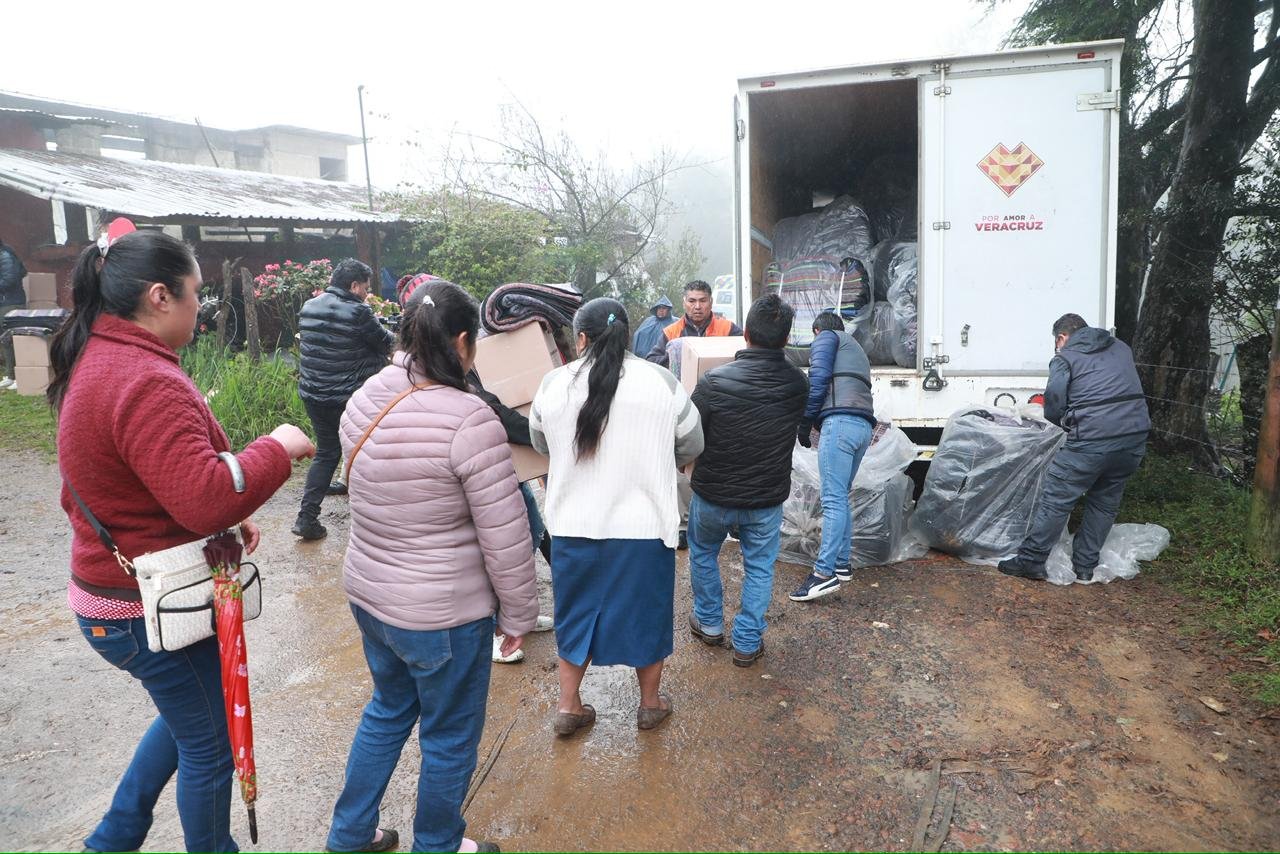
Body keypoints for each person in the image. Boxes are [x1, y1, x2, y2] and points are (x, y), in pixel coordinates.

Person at [50, 228, 316, 853]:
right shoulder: (144, 378)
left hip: (116, 593)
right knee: (210, 743)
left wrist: (223, 518)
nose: (203, 306)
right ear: (160, 296)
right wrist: (277, 447)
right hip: (142, 606)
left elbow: (146, 479)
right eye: (197, 293)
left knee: (189, 717)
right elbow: (204, 497)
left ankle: (115, 837)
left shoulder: (104, 356)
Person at [328, 280, 538, 854]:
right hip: (442, 617)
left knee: (387, 710)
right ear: (464, 342)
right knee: (448, 738)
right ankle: (438, 845)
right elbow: (506, 534)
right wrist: (519, 614)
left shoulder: (369, 393)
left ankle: (349, 834)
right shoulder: (470, 418)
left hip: (371, 598)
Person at [530, 297, 703, 736]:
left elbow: (540, 442)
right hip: (644, 526)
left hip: (572, 524)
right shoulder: (661, 382)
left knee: (575, 614)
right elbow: (692, 442)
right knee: (646, 612)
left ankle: (569, 706)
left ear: (581, 339)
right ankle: (649, 704)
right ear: (628, 336)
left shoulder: (552, 384)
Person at [686, 294, 808, 666]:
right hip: (765, 500)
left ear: (747, 334)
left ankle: (709, 623)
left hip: (712, 494)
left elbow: (691, 435)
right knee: (759, 567)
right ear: (786, 338)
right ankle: (747, 642)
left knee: (703, 553)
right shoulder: (798, 384)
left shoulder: (713, 382)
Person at [998, 313, 1150, 582]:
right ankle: (1085, 567)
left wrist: (1068, 424)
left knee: (1057, 499)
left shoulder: (1065, 358)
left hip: (1093, 439)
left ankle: (1031, 561)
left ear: (1061, 338)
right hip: (1134, 437)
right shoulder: (1121, 347)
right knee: (1104, 502)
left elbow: (1054, 406)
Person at [294, 258, 394, 541]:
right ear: (353, 286)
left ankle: (306, 518)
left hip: (314, 395)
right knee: (370, 451)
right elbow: (386, 344)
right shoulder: (359, 311)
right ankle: (378, 522)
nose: (366, 294)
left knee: (327, 452)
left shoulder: (309, 306)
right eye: (366, 288)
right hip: (348, 399)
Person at [645, 280, 742, 549]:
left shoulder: (728, 329)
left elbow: (746, 357)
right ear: (684, 303)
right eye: (692, 301)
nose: (697, 306)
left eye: (702, 300)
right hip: (684, 407)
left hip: (724, 407)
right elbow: (652, 364)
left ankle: (731, 518)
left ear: (711, 302)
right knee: (683, 464)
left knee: (726, 462)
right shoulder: (671, 332)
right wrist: (676, 356)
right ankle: (684, 525)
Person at [789, 311, 876, 602]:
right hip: (862, 426)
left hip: (840, 424)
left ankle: (823, 574)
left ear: (817, 331)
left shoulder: (825, 337)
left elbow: (818, 380)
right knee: (841, 497)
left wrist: (804, 424)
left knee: (832, 500)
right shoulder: (855, 349)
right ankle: (842, 563)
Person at [0, 236, 28, 390]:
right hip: (5, 302)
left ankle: (20, 375)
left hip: (10, 303)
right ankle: (11, 375)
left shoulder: (5, 255)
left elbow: (10, 279)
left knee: (13, 339)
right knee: (5, 340)